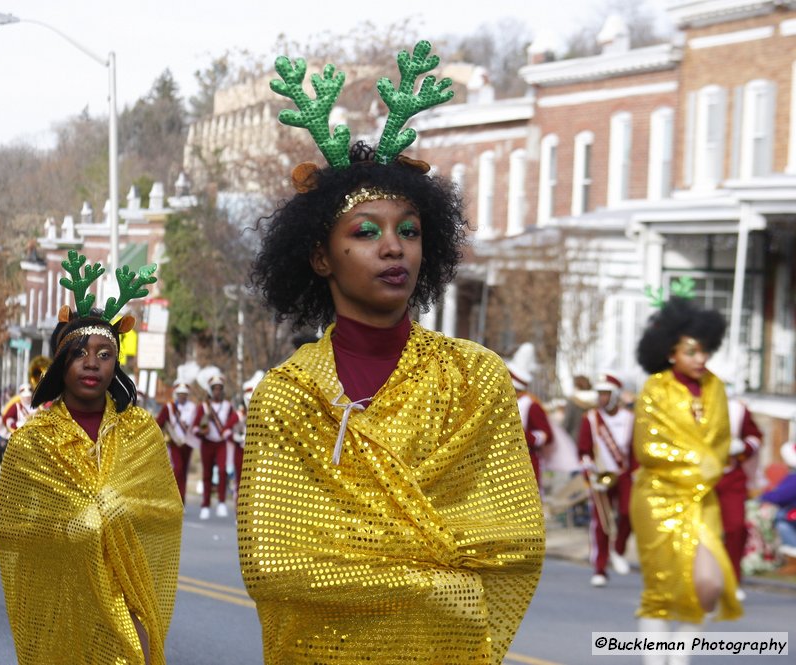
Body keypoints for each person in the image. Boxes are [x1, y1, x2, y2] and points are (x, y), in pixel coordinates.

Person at [238, 40, 544, 665]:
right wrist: (433, 579)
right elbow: (277, 563)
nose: (393, 247)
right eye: (366, 232)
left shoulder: (476, 376)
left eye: (408, 230)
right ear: (321, 256)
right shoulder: (287, 395)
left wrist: (374, 561)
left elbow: (513, 541)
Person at [0, 253, 181, 665]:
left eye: (104, 353)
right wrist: (74, 526)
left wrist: (117, 511)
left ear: (116, 363)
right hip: (61, 597)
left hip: (127, 593)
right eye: (80, 353)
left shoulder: (142, 430)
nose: (92, 362)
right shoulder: (31, 442)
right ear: (62, 363)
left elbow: (165, 511)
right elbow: (9, 528)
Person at [633, 296, 742, 664]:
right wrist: (697, 462)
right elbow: (648, 449)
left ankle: (678, 658)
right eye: (692, 351)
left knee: (709, 586)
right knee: (662, 588)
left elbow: (723, 443)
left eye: (705, 351)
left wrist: (707, 469)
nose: (701, 359)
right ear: (670, 352)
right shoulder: (655, 389)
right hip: (657, 497)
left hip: (701, 499)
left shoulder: (716, 388)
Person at [578, 372, 634, 587]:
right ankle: (600, 568)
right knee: (600, 522)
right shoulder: (590, 419)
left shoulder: (629, 419)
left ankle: (618, 550)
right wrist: (590, 473)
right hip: (601, 476)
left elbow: (634, 450)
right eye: (599, 393)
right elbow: (583, 450)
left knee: (628, 514)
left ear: (615, 394)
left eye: (605, 393)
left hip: (623, 474)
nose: (601, 397)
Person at [712, 381, 762, 596]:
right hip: (700, 477)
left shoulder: (739, 410)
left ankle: (732, 579)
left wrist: (744, 447)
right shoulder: (692, 407)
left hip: (731, 476)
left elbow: (755, 436)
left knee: (736, 528)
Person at [507, 342, 555, 490]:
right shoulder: (499, 402)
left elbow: (546, 435)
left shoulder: (531, 405)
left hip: (524, 465)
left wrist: (522, 436)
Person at [193, 374, 239, 519]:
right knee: (207, 474)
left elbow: (234, 420)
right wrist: (202, 431)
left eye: (220, 388)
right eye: (215, 389)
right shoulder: (204, 406)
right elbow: (194, 427)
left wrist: (227, 430)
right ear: (211, 390)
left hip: (221, 444)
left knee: (223, 471)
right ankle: (205, 505)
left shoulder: (228, 406)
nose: (217, 391)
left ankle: (221, 503)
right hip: (207, 443)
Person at [155, 382, 199, 502]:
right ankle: (175, 499)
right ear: (176, 394)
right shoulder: (169, 407)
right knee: (178, 469)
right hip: (174, 443)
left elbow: (196, 423)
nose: (182, 396)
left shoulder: (192, 407)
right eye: (180, 394)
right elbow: (159, 423)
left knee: (184, 472)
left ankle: (182, 500)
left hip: (187, 444)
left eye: (184, 394)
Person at [760, 440, 796, 575]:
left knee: (781, 521)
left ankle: (793, 558)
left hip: (792, 515)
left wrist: (764, 497)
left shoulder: (794, 477)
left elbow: (781, 496)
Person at [563, 374, 595, 441]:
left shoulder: (572, 401)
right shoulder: (596, 400)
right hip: (594, 438)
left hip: (576, 438)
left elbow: (567, 422)